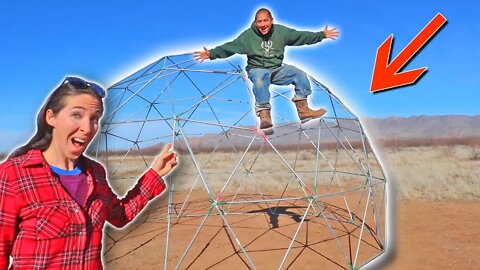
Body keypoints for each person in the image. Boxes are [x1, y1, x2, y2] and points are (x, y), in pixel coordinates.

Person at [0, 77, 177, 269]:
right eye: (77, 115)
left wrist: (154, 176)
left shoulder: (96, 173)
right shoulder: (14, 174)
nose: (87, 128)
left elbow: (120, 215)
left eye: (95, 118)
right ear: (51, 117)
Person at [195, 8, 339, 130]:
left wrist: (321, 35)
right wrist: (211, 54)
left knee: (299, 74)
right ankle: (264, 115)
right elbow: (230, 47)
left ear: (271, 20)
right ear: (255, 23)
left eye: (265, 21)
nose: (263, 25)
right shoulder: (248, 36)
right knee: (259, 79)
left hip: (277, 69)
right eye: (259, 22)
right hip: (256, 69)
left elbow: (301, 36)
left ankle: (303, 111)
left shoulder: (281, 32)